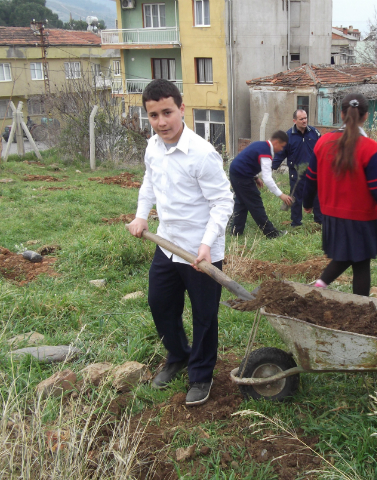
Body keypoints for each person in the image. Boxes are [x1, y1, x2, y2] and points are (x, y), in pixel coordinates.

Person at [127, 79, 234, 406]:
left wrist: (205, 244)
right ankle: (178, 355)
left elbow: (223, 201)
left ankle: (200, 375)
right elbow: (149, 183)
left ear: (182, 109)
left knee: (204, 316)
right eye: (154, 115)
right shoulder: (152, 148)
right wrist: (142, 215)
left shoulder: (202, 154)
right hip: (167, 244)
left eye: (168, 112)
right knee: (160, 303)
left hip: (202, 252)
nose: (161, 122)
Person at [302, 93, 377, 296]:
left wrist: (307, 203)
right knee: (360, 263)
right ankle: (338, 297)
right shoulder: (370, 148)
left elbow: (311, 178)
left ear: (341, 114)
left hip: (331, 215)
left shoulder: (323, 142)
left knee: (351, 257)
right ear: (366, 116)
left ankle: (320, 288)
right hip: (360, 218)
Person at [229, 131, 293, 238]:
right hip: (241, 177)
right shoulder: (265, 152)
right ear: (276, 142)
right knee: (256, 204)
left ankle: (236, 232)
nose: (281, 150)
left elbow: (247, 161)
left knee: (242, 203)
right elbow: (267, 178)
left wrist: (255, 177)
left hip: (236, 173)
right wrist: (281, 195)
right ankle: (271, 233)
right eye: (282, 147)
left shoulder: (259, 144)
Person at [272, 109, 323, 227]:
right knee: (296, 196)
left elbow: (323, 150)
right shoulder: (288, 136)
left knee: (316, 195)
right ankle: (296, 222)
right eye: (301, 119)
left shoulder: (314, 133)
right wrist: (272, 167)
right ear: (294, 121)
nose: (304, 121)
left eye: (305, 118)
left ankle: (319, 221)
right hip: (296, 172)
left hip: (313, 171)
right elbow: (280, 153)